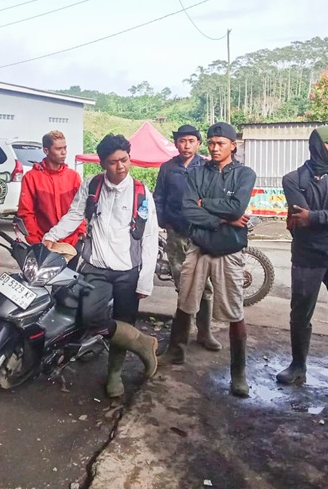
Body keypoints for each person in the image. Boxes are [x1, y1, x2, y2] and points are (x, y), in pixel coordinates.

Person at [43, 134, 159, 399]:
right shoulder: (92, 185)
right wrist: (52, 235)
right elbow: (75, 214)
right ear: (103, 163)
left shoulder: (141, 192)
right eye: (113, 162)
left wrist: (145, 279)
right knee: (90, 318)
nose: (121, 166)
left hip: (129, 271)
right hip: (96, 267)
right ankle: (142, 343)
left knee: (124, 320)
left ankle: (114, 374)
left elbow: (150, 236)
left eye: (124, 160)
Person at [159, 122, 257, 398]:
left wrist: (206, 205)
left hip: (229, 249)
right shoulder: (197, 173)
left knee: (234, 309)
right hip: (199, 245)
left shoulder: (245, 174)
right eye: (212, 143)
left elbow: (237, 207)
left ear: (233, 146)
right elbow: (188, 210)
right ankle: (176, 351)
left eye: (220, 143)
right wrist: (223, 219)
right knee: (185, 300)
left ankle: (238, 372)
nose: (215, 148)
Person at [276, 125, 328, 396]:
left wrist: (314, 217)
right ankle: (298, 366)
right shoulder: (292, 179)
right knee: (300, 315)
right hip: (306, 259)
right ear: (319, 147)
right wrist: (319, 218)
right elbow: (300, 217)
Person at [154, 124, 220, 351]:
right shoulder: (168, 168)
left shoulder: (208, 167)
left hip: (201, 234)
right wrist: (163, 221)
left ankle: (204, 333)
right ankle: (181, 336)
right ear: (176, 144)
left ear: (198, 144)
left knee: (205, 284)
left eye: (191, 141)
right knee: (183, 284)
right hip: (176, 234)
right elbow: (159, 197)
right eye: (182, 141)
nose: (186, 145)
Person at [18, 129, 84, 246]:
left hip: (71, 242)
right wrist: (35, 241)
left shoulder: (73, 177)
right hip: (43, 241)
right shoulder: (31, 177)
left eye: (65, 148)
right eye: (58, 149)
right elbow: (26, 212)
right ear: (46, 150)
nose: (64, 152)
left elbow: (81, 209)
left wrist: (80, 233)